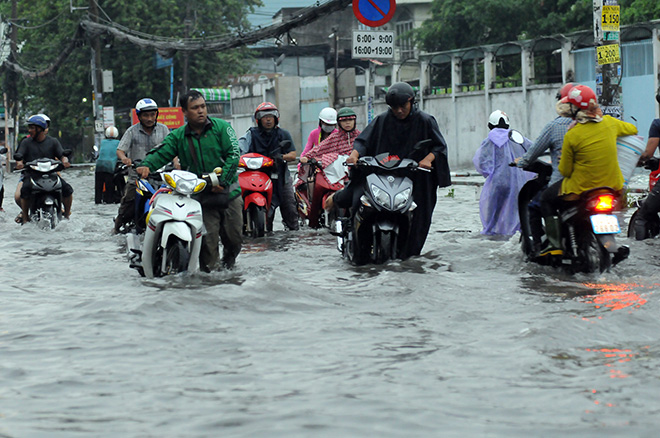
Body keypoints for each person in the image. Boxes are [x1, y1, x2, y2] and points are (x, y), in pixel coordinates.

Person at [329, 81, 451, 257]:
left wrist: (428, 159)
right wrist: (354, 155)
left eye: (403, 106)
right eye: (394, 107)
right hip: (384, 173)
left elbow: (439, 147)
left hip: (416, 176)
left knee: (421, 215)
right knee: (359, 198)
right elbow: (364, 141)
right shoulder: (382, 120)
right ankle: (355, 245)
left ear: (411, 102)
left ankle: (410, 255)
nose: (399, 111)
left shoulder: (425, 121)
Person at [136, 90, 243, 271]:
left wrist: (222, 181)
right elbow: (162, 152)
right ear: (184, 112)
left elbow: (234, 155)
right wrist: (146, 165)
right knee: (207, 247)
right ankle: (213, 279)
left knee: (234, 240)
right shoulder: (178, 136)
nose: (201, 111)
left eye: (203, 106)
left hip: (229, 193)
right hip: (201, 197)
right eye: (195, 108)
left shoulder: (223, 128)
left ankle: (229, 268)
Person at [539, 84, 637, 255]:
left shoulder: (573, 134)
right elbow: (633, 129)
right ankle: (610, 244)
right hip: (612, 187)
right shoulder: (610, 123)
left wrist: (565, 158)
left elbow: (566, 171)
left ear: (575, 109)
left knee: (546, 199)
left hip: (581, 188)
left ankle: (554, 246)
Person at [515, 83, 575, 250]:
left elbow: (533, 152)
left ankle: (544, 246)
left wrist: (522, 162)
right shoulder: (598, 125)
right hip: (599, 182)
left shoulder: (558, 126)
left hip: (565, 183)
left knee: (537, 205)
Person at [238, 102, 299, 231]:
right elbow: (239, 149)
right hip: (256, 176)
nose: (268, 119)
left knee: (290, 209)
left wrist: (281, 157)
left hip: (281, 175)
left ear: (276, 118)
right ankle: (244, 226)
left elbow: (293, 154)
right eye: (264, 116)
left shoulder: (284, 134)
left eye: (271, 116)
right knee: (238, 201)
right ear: (258, 119)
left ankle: (293, 234)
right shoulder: (250, 134)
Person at [114, 98, 171, 233]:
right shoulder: (131, 131)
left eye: (152, 114)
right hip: (137, 177)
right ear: (139, 116)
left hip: (160, 177)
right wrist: (125, 159)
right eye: (146, 115)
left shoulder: (164, 130)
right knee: (127, 202)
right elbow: (120, 150)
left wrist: (176, 163)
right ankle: (117, 226)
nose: (150, 118)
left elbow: (171, 149)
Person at [473, 110, 533, 236]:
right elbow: (533, 150)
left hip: (497, 181)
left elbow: (480, 161)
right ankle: (515, 235)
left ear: (490, 124)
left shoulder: (488, 140)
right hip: (517, 182)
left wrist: (488, 173)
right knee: (516, 210)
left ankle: (491, 233)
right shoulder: (516, 137)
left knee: (493, 212)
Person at [14, 114, 73, 224]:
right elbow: (19, 155)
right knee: (24, 190)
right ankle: (26, 217)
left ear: (39, 129)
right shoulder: (26, 142)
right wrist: (20, 163)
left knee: (68, 189)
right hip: (31, 175)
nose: (29, 130)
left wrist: (65, 161)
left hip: (51, 175)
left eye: (32, 128)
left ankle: (67, 215)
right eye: (29, 127)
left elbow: (62, 154)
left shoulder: (53, 141)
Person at [631, 90, 660, 240]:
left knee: (643, 214)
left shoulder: (658, 124)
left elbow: (648, 154)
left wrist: (634, 160)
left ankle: (643, 252)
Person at [95, 126, 120, 204]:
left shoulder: (103, 142)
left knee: (98, 187)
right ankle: (109, 201)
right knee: (109, 188)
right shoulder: (118, 143)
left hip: (99, 166)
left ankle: (98, 201)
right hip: (110, 167)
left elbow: (100, 153)